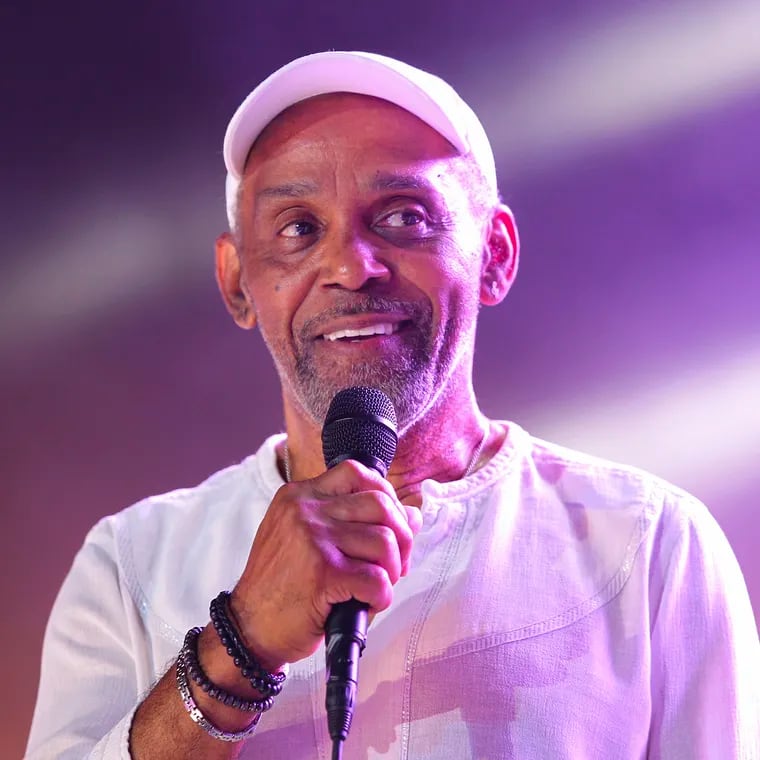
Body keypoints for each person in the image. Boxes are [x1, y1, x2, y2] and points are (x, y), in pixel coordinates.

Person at [26, 51, 759, 760]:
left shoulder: (649, 545)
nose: (350, 265)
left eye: (403, 217)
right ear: (236, 281)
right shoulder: (133, 565)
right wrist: (240, 643)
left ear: (495, 253)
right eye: (297, 229)